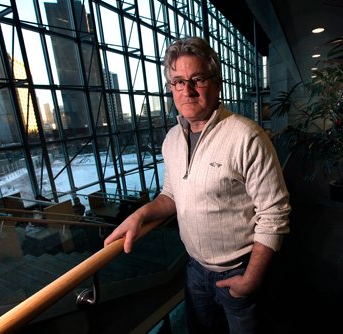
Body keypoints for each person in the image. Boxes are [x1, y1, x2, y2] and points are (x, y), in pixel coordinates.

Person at [104, 36, 291, 333]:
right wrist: (140, 215)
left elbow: (275, 213)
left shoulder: (247, 136)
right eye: (178, 82)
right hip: (194, 270)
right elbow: (170, 195)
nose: (187, 91)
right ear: (171, 89)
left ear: (216, 84)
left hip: (240, 269)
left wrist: (251, 279)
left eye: (197, 79)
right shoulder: (172, 139)